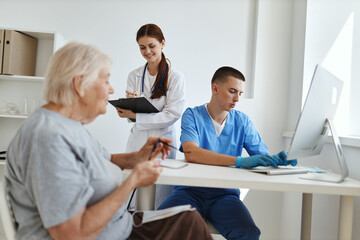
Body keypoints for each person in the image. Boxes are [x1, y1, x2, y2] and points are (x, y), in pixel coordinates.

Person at [4, 42, 212, 240]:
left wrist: (138, 157)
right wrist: (132, 182)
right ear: (79, 84)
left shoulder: (69, 125)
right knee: (190, 228)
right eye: (105, 80)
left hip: (117, 226)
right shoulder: (48, 139)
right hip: (107, 234)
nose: (111, 90)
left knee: (189, 219)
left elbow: (108, 158)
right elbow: (70, 234)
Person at [158, 66, 297, 240]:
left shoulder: (242, 121)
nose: (237, 99)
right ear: (215, 88)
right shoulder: (192, 115)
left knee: (248, 233)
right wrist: (239, 161)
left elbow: (262, 156)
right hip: (190, 192)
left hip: (224, 196)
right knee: (156, 226)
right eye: (232, 91)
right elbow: (191, 153)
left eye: (240, 93)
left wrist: (276, 159)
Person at [116, 23, 185, 208]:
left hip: (162, 142)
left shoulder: (175, 77)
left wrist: (135, 115)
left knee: (159, 200)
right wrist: (126, 111)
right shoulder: (134, 75)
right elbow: (133, 115)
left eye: (151, 46)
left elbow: (171, 114)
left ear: (162, 43)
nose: (147, 51)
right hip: (137, 141)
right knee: (133, 200)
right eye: (142, 47)